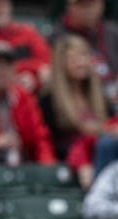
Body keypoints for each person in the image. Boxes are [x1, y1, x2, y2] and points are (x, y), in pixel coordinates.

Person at [40, 34, 116, 188]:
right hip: (70, 161)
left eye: (84, 56)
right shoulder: (49, 99)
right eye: (73, 58)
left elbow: (110, 126)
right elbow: (51, 141)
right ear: (60, 64)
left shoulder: (100, 96)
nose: (81, 63)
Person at [51, 0, 118, 108]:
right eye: (82, 5)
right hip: (83, 99)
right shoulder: (58, 37)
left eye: (92, 4)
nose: (88, 10)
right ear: (70, 6)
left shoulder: (113, 32)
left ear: (101, 5)